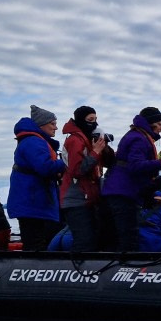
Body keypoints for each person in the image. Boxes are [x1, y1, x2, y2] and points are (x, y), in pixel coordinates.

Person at [102, 107, 161, 251]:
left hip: (120, 191)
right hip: (123, 192)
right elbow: (135, 165)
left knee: (123, 234)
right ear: (151, 123)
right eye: (160, 123)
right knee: (129, 236)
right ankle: (125, 268)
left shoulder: (136, 135)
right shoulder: (139, 138)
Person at [7, 105, 68, 251]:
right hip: (32, 203)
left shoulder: (33, 141)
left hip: (33, 203)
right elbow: (45, 167)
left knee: (38, 242)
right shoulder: (33, 142)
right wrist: (66, 162)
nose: (56, 128)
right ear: (42, 124)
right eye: (53, 124)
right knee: (36, 244)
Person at [59, 106, 115, 251]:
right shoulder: (75, 140)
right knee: (84, 241)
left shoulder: (90, 139)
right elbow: (77, 170)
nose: (94, 123)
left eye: (96, 120)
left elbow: (109, 162)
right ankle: (77, 271)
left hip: (90, 198)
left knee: (95, 239)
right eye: (90, 120)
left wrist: (104, 147)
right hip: (76, 200)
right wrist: (95, 152)